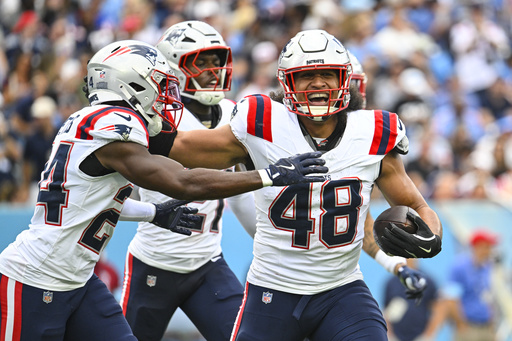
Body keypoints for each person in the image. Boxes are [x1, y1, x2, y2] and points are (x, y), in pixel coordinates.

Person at [0, 39, 329, 341]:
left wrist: (153, 212)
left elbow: (96, 202)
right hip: (34, 279)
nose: (165, 95)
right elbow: (182, 182)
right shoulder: (114, 126)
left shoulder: (90, 120)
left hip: (78, 279)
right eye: (158, 84)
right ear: (131, 83)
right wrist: (269, 175)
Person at [167, 29, 443, 340]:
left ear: (344, 79)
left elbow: (419, 207)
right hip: (273, 290)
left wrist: (432, 235)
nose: (318, 83)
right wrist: (133, 132)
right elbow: (182, 148)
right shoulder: (263, 122)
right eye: (306, 75)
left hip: (341, 291)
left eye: (327, 73)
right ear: (287, 82)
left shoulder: (373, 133)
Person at [120, 21, 256, 341]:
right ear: (174, 67)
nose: (213, 70)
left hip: (208, 263)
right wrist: (152, 213)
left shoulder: (233, 113)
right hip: (152, 263)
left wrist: (268, 242)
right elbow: (113, 196)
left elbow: (237, 192)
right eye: (201, 62)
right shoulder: (155, 119)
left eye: (216, 61)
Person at [442, 229, 499, 341]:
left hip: (486, 327)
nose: (490, 251)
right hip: (469, 327)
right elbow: (451, 299)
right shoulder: (460, 267)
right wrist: (461, 324)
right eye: (487, 246)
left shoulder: (487, 267)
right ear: (478, 246)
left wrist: (492, 322)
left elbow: (487, 297)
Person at [383, 258, 440, 341]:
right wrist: (390, 336)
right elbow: (385, 313)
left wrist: (427, 335)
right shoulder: (391, 283)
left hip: (420, 336)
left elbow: (436, 311)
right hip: (397, 336)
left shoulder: (428, 281)